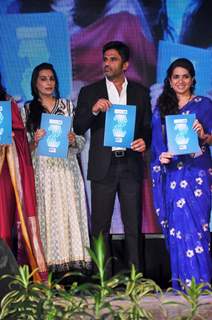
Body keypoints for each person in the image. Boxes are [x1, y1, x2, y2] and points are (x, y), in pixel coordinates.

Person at [73, 41, 152, 276]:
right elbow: (77, 127)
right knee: (100, 227)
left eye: (113, 59)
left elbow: (146, 126)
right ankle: (103, 280)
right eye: (105, 59)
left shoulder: (139, 92)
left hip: (130, 165)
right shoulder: (90, 91)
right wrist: (94, 110)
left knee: (133, 226)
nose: (107, 63)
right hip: (103, 167)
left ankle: (136, 280)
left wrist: (144, 141)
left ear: (125, 64)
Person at [151, 58, 212, 290]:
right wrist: (162, 158)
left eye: (185, 76)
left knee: (198, 230)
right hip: (173, 176)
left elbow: (210, 138)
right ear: (169, 80)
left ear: (193, 79)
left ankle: (202, 286)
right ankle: (182, 287)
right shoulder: (162, 109)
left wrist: (204, 134)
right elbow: (158, 148)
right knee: (179, 232)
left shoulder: (204, 105)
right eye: (176, 76)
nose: (181, 81)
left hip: (198, 174)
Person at [25, 63, 91, 273]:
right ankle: (47, 268)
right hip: (43, 171)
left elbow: (81, 141)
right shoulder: (27, 109)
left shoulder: (67, 106)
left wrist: (72, 139)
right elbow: (23, 147)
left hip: (66, 169)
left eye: (51, 79)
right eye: (43, 79)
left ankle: (72, 268)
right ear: (35, 83)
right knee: (47, 213)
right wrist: (34, 141)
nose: (48, 83)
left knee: (68, 211)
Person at [0, 75, 47, 282]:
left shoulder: (7, 103)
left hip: (4, 171)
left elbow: (19, 137)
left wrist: (8, 137)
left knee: (3, 224)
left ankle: (8, 278)